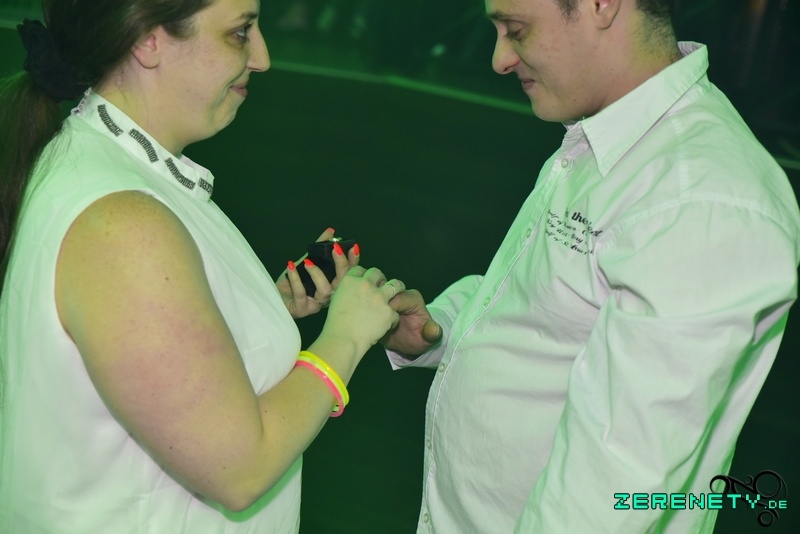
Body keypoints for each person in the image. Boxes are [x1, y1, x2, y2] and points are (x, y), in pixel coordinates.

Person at [382, 0, 800, 532]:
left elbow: (611, 483)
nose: (499, 59)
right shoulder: (612, 135)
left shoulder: (700, 197)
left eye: (516, 30)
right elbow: (549, 299)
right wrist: (440, 329)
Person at [0, 0, 405, 532]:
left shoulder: (110, 167)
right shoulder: (123, 222)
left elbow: (147, 355)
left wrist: (266, 308)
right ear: (148, 40)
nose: (262, 58)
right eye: (240, 33)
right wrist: (346, 338)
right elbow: (239, 468)